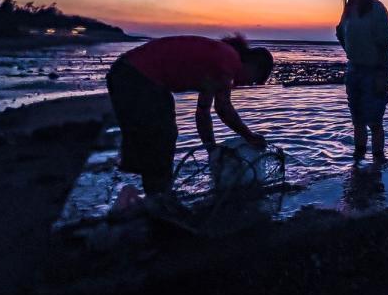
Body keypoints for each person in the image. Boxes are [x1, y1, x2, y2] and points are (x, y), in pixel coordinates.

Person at [106, 34, 273, 195]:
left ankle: (155, 193)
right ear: (253, 64)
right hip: (134, 76)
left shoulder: (219, 61)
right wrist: (250, 136)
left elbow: (203, 112)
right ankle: (158, 197)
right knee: (161, 135)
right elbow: (223, 109)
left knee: (158, 134)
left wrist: (211, 149)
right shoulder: (228, 59)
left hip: (126, 73)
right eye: (253, 79)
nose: (246, 84)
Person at [334, 0, 388, 161]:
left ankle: (378, 162)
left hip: (373, 71)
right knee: (357, 119)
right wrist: (353, 55)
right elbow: (341, 34)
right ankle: (358, 162)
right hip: (354, 70)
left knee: (375, 121)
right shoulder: (348, 9)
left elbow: (385, 44)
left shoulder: (377, 9)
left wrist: (381, 75)